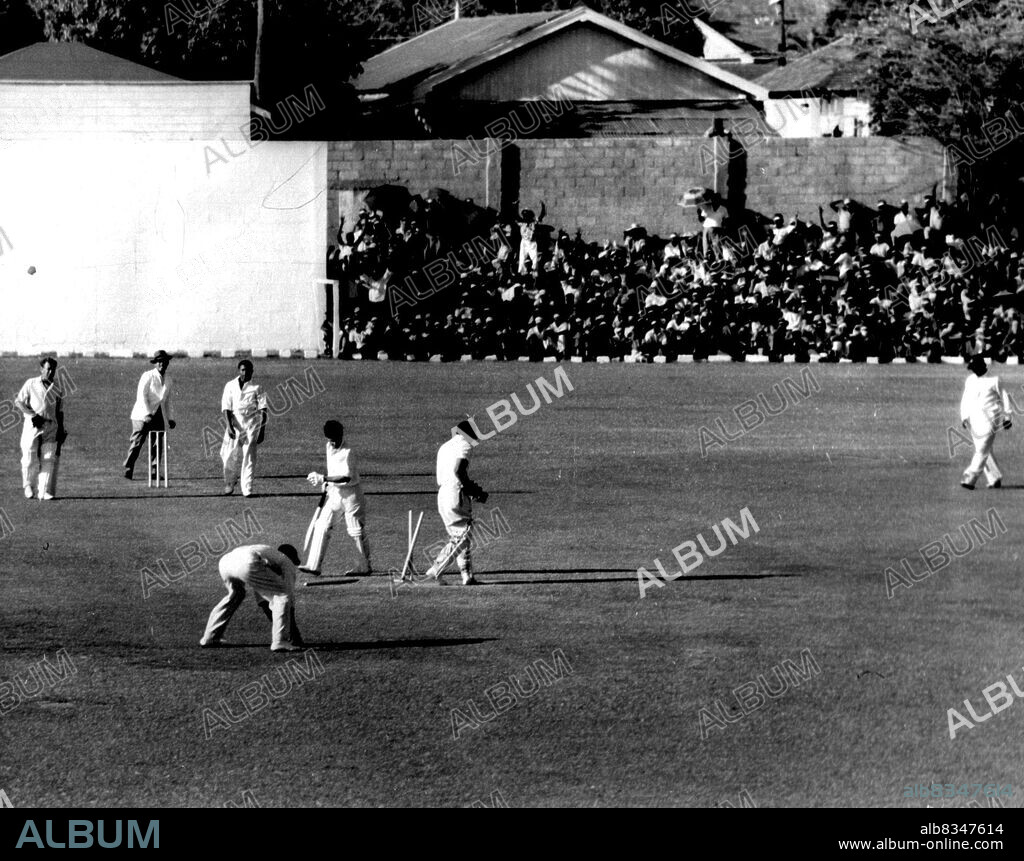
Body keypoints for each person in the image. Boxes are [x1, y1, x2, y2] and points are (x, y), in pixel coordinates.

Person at [300, 421, 372, 576]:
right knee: (322, 525)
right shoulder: (328, 446)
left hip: (351, 496)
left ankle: (363, 567)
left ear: (341, 435)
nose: (333, 442)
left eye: (335, 439)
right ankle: (313, 566)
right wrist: (326, 483)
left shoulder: (348, 452)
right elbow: (333, 469)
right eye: (330, 439)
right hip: (335, 494)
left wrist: (323, 478)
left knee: (355, 531)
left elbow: (345, 477)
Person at [200, 544, 303, 652]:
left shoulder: (266, 559)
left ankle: (210, 637)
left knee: (235, 595)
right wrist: (294, 634)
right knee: (282, 596)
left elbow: (264, 602)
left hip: (226, 562)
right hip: (248, 561)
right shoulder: (287, 562)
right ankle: (280, 641)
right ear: (291, 558)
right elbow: (287, 598)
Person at [425, 420, 488, 586]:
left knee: (458, 535)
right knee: (463, 536)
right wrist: (474, 491)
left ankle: (467, 576)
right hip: (455, 494)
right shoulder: (464, 444)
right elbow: (458, 471)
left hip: (443, 495)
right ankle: (436, 568)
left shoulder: (445, 446)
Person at [16, 356, 67, 500]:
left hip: (51, 426)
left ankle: (43, 491)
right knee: (29, 457)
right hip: (32, 425)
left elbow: (59, 411)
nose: (50, 372)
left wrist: (61, 429)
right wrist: (33, 415)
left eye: (53, 370)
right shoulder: (31, 383)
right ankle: (28, 486)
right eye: (48, 369)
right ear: (41, 369)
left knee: (48, 458)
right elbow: (19, 402)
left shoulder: (58, 388)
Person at [959, 355, 1011, 490]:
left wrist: (1007, 417)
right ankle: (995, 478)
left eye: (974, 368)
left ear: (982, 366)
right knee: (983, 449)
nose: (973, 371)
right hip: (974, 420)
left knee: (982, 449)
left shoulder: (995, 380)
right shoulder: (970, 380)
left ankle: (970, 478)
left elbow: (1004, 397)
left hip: (991, 419)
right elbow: (965, 399)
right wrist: (964, 416)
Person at [123, 350, 175, 480]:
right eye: (159, 362)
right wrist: (146, 414)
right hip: (141, 412)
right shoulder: (147, 376)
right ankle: (128, 468)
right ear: (155, 363)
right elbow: (142, 396)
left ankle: (154, 471)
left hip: (156, 412)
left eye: (164, 361)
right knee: (137, 442)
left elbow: (168, 400)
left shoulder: (168, 380)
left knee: (158, 442)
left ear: (168, 363)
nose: (162, 364)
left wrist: (170, 418)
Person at [220, 359, 268, 497]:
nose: (245, 373)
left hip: (251, 425)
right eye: (242, 370)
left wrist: (262, 430)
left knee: (249, 456)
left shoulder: (257, 387)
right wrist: (229, 427)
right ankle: (229, 482)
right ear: (238, 370)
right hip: (235, 423)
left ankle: (247, 488)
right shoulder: (230, 385)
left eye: (248, 370)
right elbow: (226, 408)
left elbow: (263, 409)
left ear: (252, 372)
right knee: (228, 454)